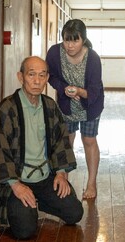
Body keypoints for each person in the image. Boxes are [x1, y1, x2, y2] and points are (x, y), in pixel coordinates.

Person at [0, 56, 84, 239]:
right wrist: (16, 185)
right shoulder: (6, 109)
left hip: (45, 177)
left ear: (47, 78)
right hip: (17, 179)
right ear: (21, 77)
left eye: (42, 75)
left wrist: (61, 173)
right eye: (31, 75)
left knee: (75, 213)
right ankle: (19, 207)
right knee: (25, 230)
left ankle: (41, 202)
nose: (37, 81)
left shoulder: (50, 106)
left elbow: (61, 141)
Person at [46, 19, 105, 200]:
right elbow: (51, 76)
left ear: (83, 40)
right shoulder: (54, 53)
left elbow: (94, 90)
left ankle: (91, 183)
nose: (70, 46)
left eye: (75, 41)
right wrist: (64, 88)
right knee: (66, 142)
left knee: (89, 140)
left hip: (90, 106)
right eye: (66, 40)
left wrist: (79, 91)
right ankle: (64, 181)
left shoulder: (93, 58)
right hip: (66, 105)